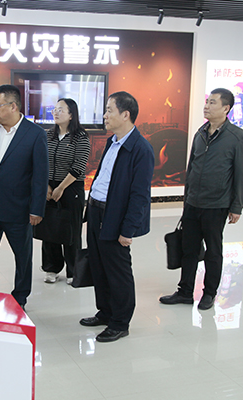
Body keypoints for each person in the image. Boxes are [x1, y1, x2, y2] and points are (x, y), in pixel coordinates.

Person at [159, 88, 243, 311]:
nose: (206, 106)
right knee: (189, 249)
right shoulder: (200, 133)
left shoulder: (237, 137)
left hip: (216, 205)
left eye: (212, 103)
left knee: (213, 251)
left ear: (226, 108)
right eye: (207, 102)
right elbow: (192, 168)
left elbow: (242, 174)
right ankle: (185, 291)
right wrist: (186, 199)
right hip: (193, 203)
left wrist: (237, 206)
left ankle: (209, 293)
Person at [79, 91, 154, 343]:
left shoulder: (141, 149)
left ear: (125, 114)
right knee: (99, 265)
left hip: (115, 216)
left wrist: (128, 230)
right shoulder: (113, 141)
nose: (105, 115)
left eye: (109, 110)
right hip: (97, 211)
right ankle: (106, 312)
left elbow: (140, 195)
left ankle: (120, 322)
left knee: (117, 270)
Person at [0, 84, 48, 309]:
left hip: (19, 208)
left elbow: (40, 175)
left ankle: (20, 297)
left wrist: (37, 209)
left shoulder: (35, 134)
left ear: (13, 106)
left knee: (22, 257)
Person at [41, 98, 90, 285]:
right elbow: (40, 161)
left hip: (71, 187)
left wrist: (61, 187)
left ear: (71, 115)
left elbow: (79, 166)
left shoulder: (80, 137)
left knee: (71, 232)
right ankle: (51, 268)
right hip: (49, 187)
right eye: (54, 109)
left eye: (60, 110)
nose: (55, 112)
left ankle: (73, 270)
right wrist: (46, 185)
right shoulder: (48, 135)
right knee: (49, 229)